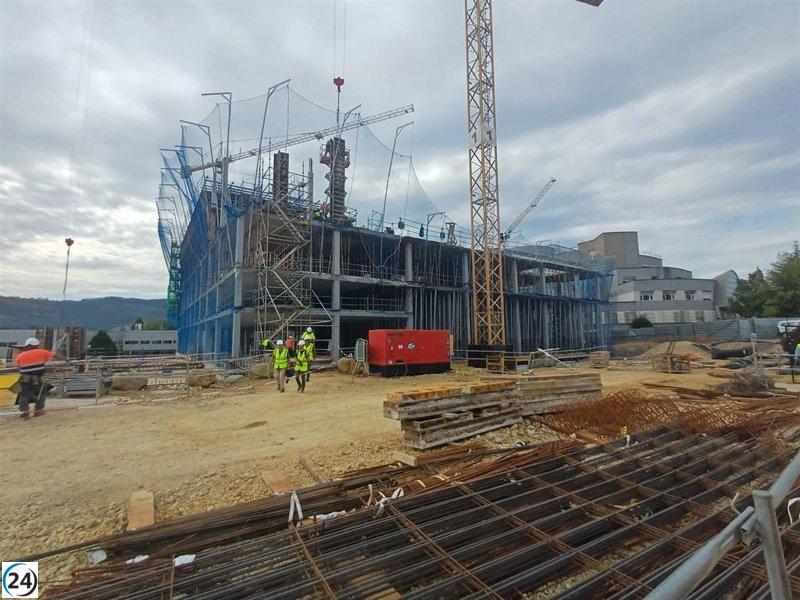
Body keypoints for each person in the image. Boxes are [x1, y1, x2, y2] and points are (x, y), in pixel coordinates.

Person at [14, 338, 54, 420]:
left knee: (23, 395)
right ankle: (38, 411)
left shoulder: (19, 356)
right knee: (42, 392)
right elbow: (54, 356)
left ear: (26, 346)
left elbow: (19, 366)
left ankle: (25, 414)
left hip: (24, 379)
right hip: (38, 378)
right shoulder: (42, 352)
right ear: (36, 346)